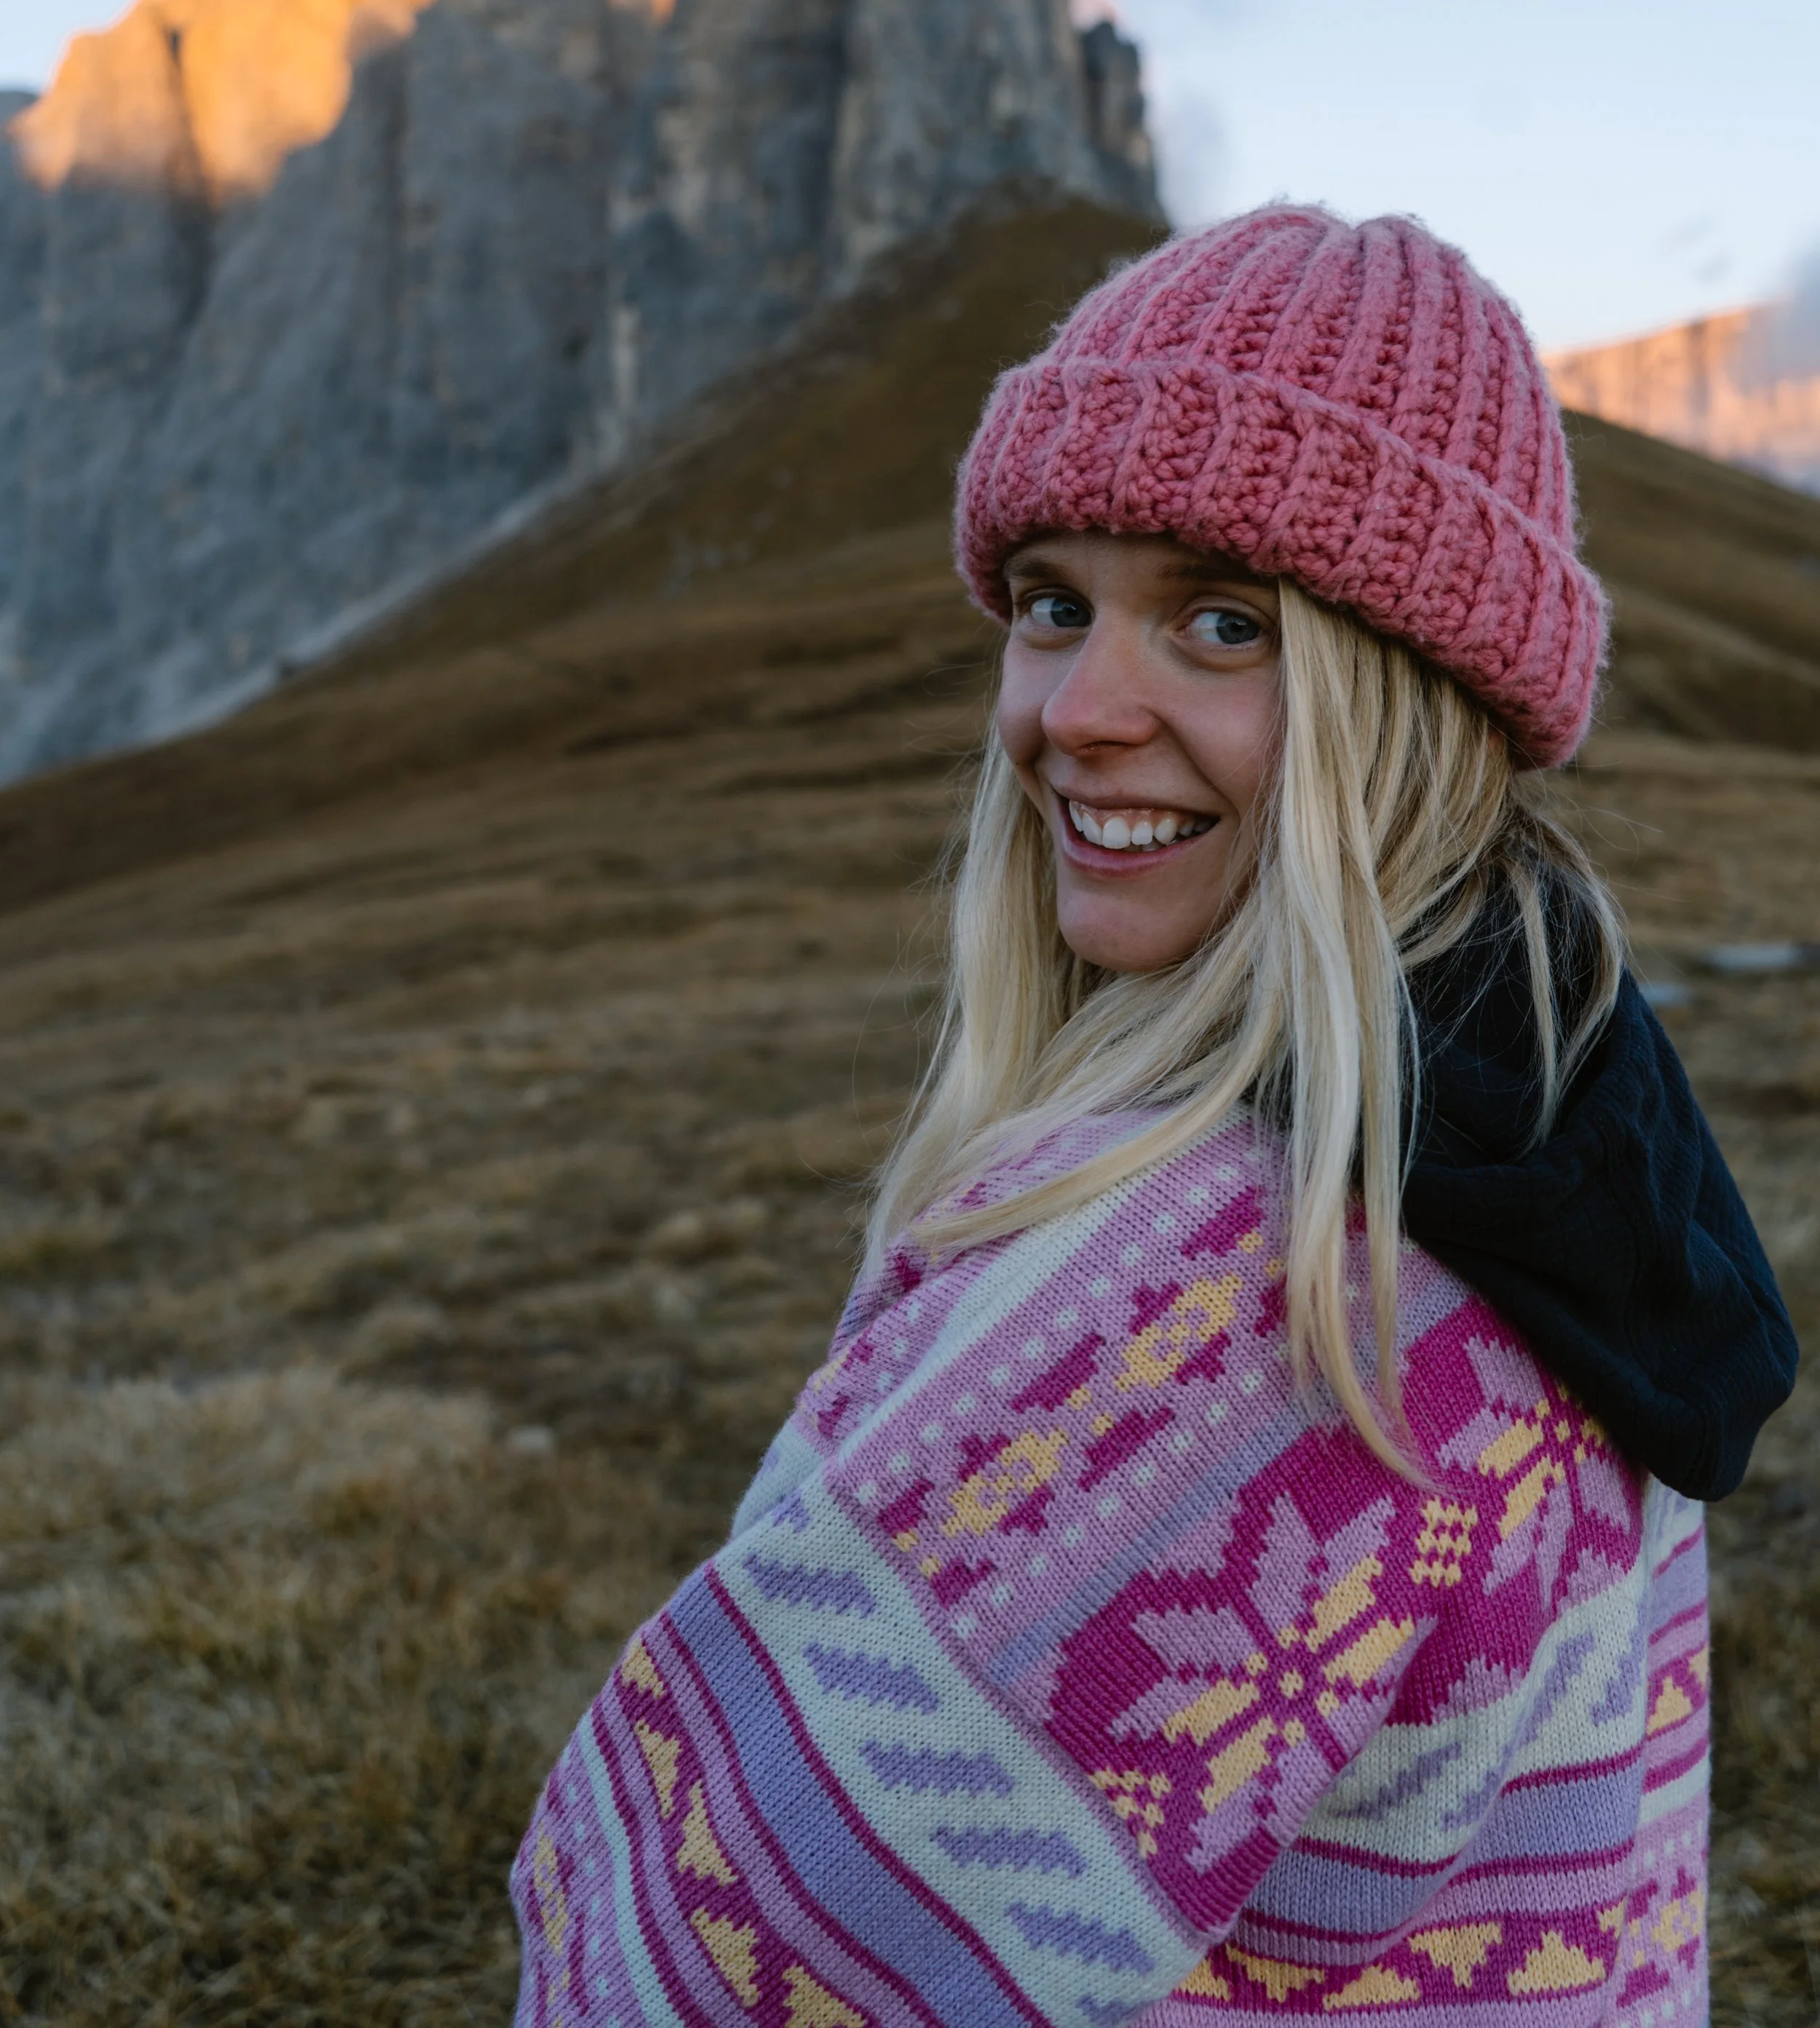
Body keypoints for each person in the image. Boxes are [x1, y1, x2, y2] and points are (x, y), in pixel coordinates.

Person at [512, 207, 1795, 2028]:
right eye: (1051, 604)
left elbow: (706, 1969)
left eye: (1219, 624)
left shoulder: (1239, 1292)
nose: (1076, 714)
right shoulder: (1560, 1149)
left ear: (1410, 702)